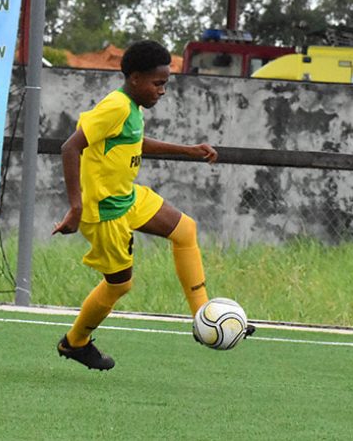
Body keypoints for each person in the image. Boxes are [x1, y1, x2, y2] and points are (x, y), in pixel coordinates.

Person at [52, 40, 253, 371]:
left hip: (128, 197)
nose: (162, 91)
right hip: (105, 212)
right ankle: (75, 342)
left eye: (166, 84)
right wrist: (76, 207)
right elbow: (70, 147)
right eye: (157, 83)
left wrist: (188, 150)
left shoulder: (131, 108)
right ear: (134, 78)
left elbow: (134, 142)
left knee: (185, 229)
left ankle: (205, 317)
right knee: (120, 285)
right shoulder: (115, 106)